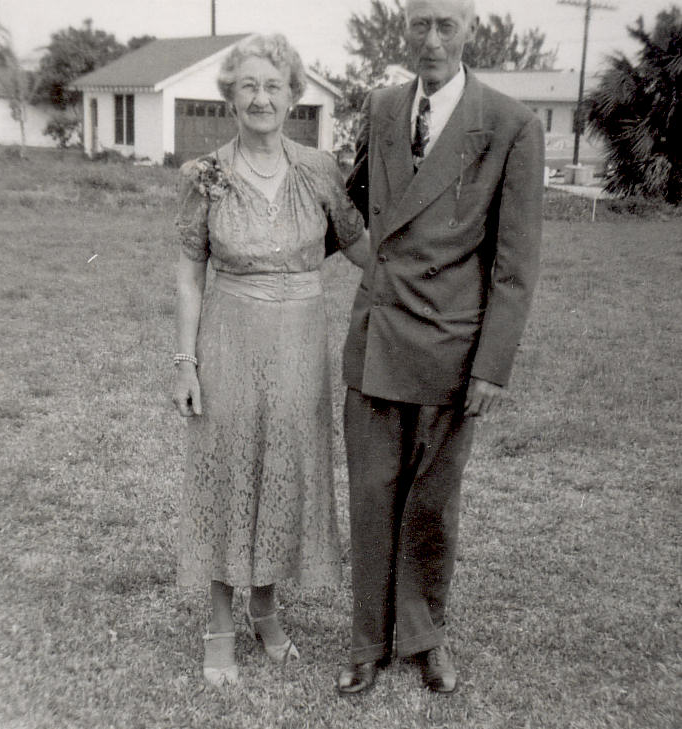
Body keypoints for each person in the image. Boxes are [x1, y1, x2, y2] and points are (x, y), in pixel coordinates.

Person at [337, 0, 544, 695]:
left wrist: (492, 365)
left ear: (469, 30)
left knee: (431, 504)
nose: (431, 40)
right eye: (420, 23)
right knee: (370, 496)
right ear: (406, 30)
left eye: (445, 25)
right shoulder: (382, 105)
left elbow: (515, 265)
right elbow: (353, 201)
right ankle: (368, 641)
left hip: (451, 351)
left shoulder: (513, 124)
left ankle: (424, 639)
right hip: (377, 339)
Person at [172, 33, 366, 687]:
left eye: (273, 85)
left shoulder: (319, 169)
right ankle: (219, 624)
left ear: (293, 96)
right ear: (230, 94)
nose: (261, 97)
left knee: (283, 472)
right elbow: (188, 272)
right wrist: (185, 361)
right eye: (248, 85)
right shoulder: (203, 175)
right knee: (230, 477)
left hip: (300, 348)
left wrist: (435, 269)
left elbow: (361, 246)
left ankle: (266, 608)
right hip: (228, 342)